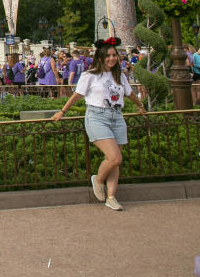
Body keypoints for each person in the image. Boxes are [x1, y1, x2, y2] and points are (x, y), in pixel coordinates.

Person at [51, 38, 146, 211]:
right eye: (108, 56)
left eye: (114, 55)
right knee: (115, 157)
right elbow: (78, 95)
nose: (112, 59)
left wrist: (140, 105)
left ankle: (111, 197)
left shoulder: (120, 75)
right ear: (101, 58)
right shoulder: (90, 75)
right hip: (97, 117)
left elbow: (130, 93)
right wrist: (62, 111)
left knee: (114, 160)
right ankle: (99, 179)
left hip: (117, 117)